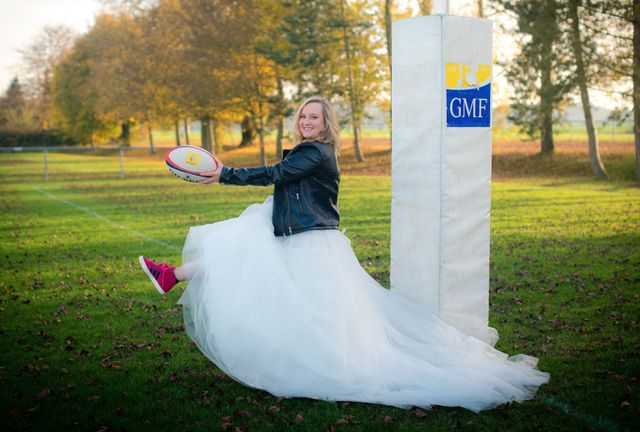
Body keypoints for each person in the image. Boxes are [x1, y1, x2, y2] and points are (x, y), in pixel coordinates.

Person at [139, 96, 549, 412]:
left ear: (326, 122)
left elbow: (277, 174)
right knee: (241, 248)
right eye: (302, 116)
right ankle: (172, 275)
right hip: (290, 227)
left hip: (310, 239)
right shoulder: (306, 149)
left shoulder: (314, 152)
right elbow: (283, 181)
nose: (306, 121)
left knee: (318, 311)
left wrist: (224, 174)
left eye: (314, 117)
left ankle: (326, 364)